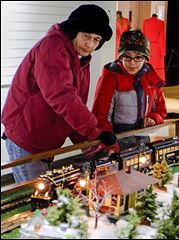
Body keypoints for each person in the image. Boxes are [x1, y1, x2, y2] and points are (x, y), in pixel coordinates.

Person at [1, 4, 117, 183]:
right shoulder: (52, 48)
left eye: (96, 39)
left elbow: (73, 105)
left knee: (47, 194)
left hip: (46, 140)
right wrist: (95, 132)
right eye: (86, 36)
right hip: (27, 137)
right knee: (39, 199)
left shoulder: (80, 58)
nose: (90, 44)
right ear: (73, 31)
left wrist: (88, 140)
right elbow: (63, 98)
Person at [92, 30, 167, 154]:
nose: (132, 62)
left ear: (146, 58)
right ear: (121, 56)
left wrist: (154, 118)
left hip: (144, 141)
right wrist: (111, 146)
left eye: (138, 57)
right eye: (127, 56)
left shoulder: (152, 79)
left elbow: (161, 110)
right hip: (117, 142)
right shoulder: (110, 79)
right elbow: (100, 116)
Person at [142, 13, 166, 82]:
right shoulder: (161, 23)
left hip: (147, 47)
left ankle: (147, 80)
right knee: (157, 68)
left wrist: (143, 49)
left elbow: (143, 36)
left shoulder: (145, 22)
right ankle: (158, 81)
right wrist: (163, 51)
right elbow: (162, 37)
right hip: (157, 48)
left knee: (148, 66)